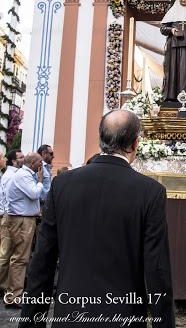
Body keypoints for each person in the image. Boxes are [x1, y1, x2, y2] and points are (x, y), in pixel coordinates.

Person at [20, 109, 175, 328]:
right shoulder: (150, 192)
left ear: (101, 140)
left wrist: (30, 323)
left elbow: (42, 262)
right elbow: (157, 271)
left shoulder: (63, 185)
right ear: (135, 144)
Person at [2, 152, 43, 308]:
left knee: (18, 257)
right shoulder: (24, 176)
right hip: (21, 220)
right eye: (40, 162)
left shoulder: (23, 174)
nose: (42, 166)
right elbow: (35, 194)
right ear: (32, 163)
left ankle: (13, 293)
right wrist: (40, 181)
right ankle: (13, 296)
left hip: (22, 219)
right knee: (20, 259)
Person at [0, 149, 25, 292]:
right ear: (14, 161)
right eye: (21, 157)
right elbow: (9, 199)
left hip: (10, 217)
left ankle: (4, 285)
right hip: (10, 217)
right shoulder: (11, 175)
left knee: (8, 254)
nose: (24, 159)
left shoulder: (13, 174)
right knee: (5, 254)